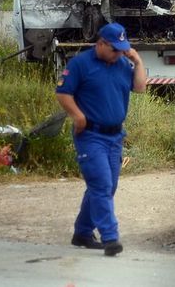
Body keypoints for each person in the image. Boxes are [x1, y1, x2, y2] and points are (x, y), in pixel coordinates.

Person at [56, 23, 147, 256]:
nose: (118, 53)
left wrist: (137, 61)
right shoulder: (80, 64)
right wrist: (78, 117)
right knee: (101, 184)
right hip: (90, 136)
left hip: (115, 136)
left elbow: (140, 88)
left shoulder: (123, 65)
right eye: (114, 49)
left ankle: (83, 233)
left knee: (107, 186)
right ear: (100, 43)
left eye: (122, 49)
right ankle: (110, 237)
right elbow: (63, 94)